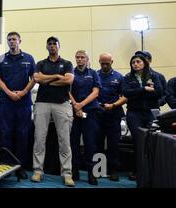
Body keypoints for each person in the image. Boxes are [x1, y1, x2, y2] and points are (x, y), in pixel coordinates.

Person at [31, 36, 75, 187]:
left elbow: (68, 80)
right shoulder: (40, 63)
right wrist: (57, 76)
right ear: (46, 46)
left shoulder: (67, 63)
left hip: (62, 104)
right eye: (49, 44)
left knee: (64, 141)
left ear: (59, 46)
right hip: (42, 103)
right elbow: (37, 79)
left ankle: (67, 173)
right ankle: (38, 171)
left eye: (54, 43)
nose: (51, 46)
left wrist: (47, 79)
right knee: (39, 139)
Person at [0, 32, 35, 179]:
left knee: (22, 134)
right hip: (6, 101)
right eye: (9, 39)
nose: (12, 42)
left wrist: (23, 92)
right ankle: (7, 165)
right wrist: (9, 93)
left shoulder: (29, 58)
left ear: (20, 41)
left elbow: (34, 78)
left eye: (14, 39)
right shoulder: (1, 58)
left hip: (23, 103)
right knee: (6, 133)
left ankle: (20, 166)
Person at [122, 53, 163, 180]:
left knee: (152, 140)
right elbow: (126, 92)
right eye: (133, 62)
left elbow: (159, 92)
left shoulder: (154, 76)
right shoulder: (128, 77)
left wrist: (137, 93)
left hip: (150, 112)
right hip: (134, 113)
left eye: (138, 62)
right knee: (138, 141)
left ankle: (152, 170)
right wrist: (144, 89)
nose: (135, 64)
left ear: (145, 63)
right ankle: (137, 171)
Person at [69, 50, 101, 185]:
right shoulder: (71, 73)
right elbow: (67, 91)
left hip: (90, 112)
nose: (79, 59)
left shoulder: (93, 73)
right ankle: (74, 171)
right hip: (74, 113)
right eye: (77, 57)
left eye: (82, 57)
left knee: (90, 144)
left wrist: (81, 104)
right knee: (73, 143)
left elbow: (96, 92)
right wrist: (76, 106)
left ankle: (91, 174)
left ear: (87, 59)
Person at [97, 53, 127, 182]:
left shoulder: (119, 77)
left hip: (114, 114)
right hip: (98, 114)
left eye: (107, 63)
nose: (104, 65)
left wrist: (113, 105)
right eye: (102, 63)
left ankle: (113, 170)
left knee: (113, 144)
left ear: (112, 62)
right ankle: (99, 170)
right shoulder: (95, 75)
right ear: (99, 62)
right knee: (97, 143)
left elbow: (125, 96)